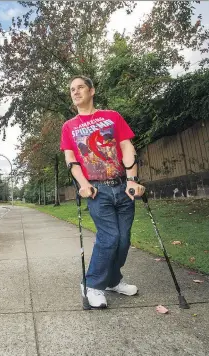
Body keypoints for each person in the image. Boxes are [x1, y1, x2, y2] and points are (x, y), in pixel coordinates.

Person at [60, 75, 145, 308]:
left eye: (80, 88)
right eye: (71, 90)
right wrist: (83, 184)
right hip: (96, 190)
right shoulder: (69, 126)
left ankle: (113, 280)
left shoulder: (112, 117)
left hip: (122, 185)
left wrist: (132, 179)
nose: (75, 92)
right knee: (110, 238)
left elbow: (127, 146)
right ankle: (92, 285)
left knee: (124, 240)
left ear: (92, 90)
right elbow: (71, 159)